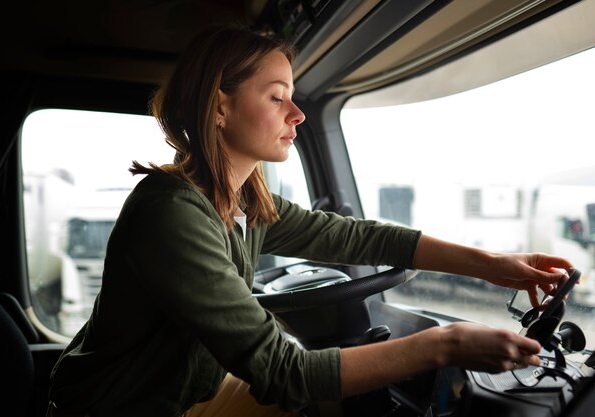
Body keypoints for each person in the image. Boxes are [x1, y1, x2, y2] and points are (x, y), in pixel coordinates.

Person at [47, 25, 573, 417]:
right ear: (219, 107)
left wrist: (494, 266)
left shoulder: (241, 201)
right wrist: (446, 344)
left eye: (294, 98)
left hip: (185, 393)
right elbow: (285, 373)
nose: (297, 114)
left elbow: (352, 234)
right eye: (277, 97)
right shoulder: (173, 215)